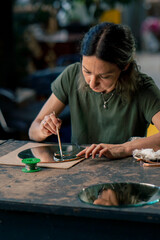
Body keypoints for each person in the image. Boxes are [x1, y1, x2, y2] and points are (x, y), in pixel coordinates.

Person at [29, 22, 160, 160]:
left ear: (124, 66)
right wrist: (44, 129)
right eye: (86, 71)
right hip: (78, 170)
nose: (92, 83)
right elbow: (33, 130)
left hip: (125, 175)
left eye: (104, 76)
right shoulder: (72, 75)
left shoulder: (142, 87)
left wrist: (124, 148)